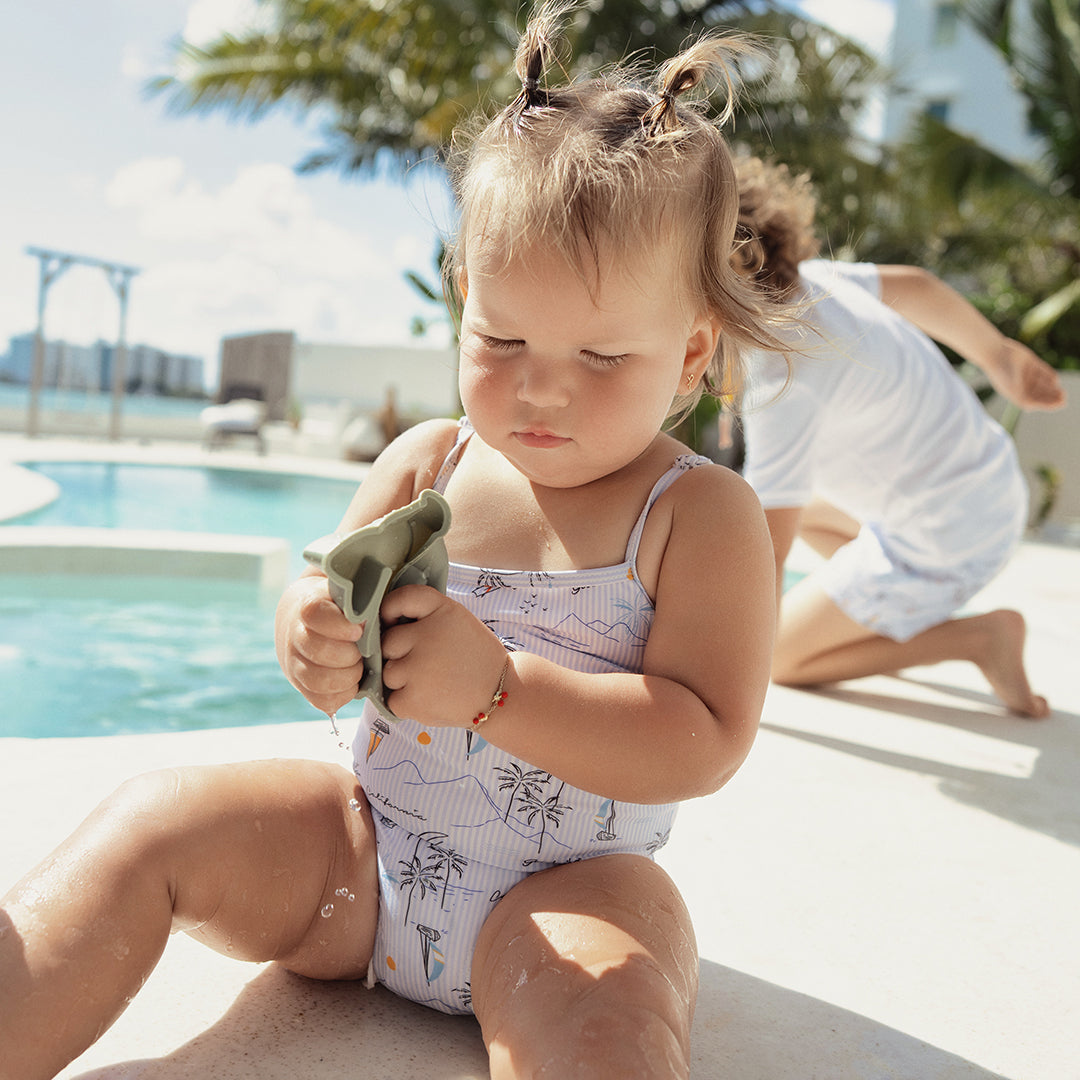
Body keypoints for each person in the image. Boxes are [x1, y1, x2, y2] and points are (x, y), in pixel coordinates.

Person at [0, 11, 784, 1079]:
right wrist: (310, 633)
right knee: (152, 826)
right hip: (361, 854)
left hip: (571, 886)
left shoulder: (697, 515)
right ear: (466, 300)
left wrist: (499, 691)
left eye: (601, 355)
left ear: (691, 351)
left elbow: (705, 737)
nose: (540, 386)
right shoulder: (430, 467)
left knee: (611, 1035)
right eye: (501, 339)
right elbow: (329, 605)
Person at [733, 154, 1066, 719]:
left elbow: (769, 550)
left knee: (780, 657)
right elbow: (915, 286)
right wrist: (998, 357)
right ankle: (893, 601)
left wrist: (729, 672)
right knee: (776, 507)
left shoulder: (781, 372)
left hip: (946, 538)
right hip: (987, 487)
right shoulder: (814, 285)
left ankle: (979, 639)